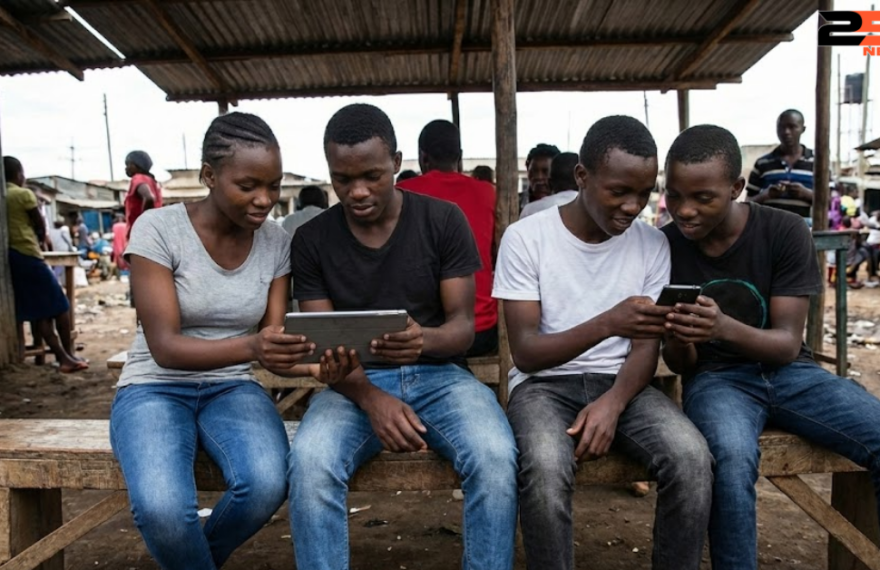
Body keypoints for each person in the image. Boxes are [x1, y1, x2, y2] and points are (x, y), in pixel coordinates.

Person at [287, 103, 517, 570]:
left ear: (396, 161)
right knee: (310, 464)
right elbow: (326, 348)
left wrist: (423, 341)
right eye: (342, 178)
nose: (357, 191)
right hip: (353, 385)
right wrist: (372, 399)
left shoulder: (442, 220)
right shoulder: (312, 239)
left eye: (372, 175)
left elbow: (462, 330)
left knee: (495, 458)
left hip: (442, 376)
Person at [493, 116, 712, 570]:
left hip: (623, 384)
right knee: (546, 467)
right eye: (618, 191)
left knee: (692, 459)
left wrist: (612, 403)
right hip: (542, 386)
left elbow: (645, 350)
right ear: (582, 176)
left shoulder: (652, 244)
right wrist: (610, 321)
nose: (633, 206)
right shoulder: (526, 238)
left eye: (645, 193)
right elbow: (528, 352)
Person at [660, 124, 880, 570]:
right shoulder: (663, 244)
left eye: (703, 198)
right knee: (731, 460)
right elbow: (681, 365)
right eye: (675, 195)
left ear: (738, 188)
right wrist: (678, 338)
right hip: (717, 381)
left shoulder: (783, 231)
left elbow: (784, 345)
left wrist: (721, 326)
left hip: (790, 372)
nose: (685, 211)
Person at [110, 113, 316, 570]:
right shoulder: (159, 229)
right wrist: (253, 348)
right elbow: (165, 346)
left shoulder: (275, 241)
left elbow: (274, 343)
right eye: (248, 185)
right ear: (209, 175)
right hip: (153, 387)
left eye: (274, 185)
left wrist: (319, 365)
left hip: (232, 388)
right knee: (164, 511)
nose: (264, 199)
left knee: (266, 483)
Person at [397, 119, 499, 356]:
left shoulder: (402, 193)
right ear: (460, 156)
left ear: (423, 157)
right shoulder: (487, 192)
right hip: (480, 330)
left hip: (419, 333)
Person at [4, 156, 87, 373]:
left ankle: (64, 357)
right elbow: (39, 223)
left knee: (41, 312)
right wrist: (42, 241)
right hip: (29, 254)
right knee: (60, 306)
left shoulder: (4, 195)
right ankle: (65, 356)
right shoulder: (22, 194)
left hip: (13, 257)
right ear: (18, 174)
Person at [746, 110, 814, 213]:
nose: (786, 132)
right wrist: (767, 194)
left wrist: (805, 193)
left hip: (804, 228)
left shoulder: (817, 163)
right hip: (770, 227)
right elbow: (747, 203)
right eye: (781, 127)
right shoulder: (763, 163)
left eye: (792, 127)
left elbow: (830, 201)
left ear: (803, 129)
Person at [519, 151, 579, 218]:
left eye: (545, 172)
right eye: (534, 171)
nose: (539, 177)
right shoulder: (517, 201)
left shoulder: (529, 210)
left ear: (550, 181)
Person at [124, 150, 163, 239]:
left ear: (137, 165)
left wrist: (143, 224)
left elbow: (149, 198)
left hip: (142, 235)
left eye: (128, 165)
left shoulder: (138, 178)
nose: (126, 168)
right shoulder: (152, 182)